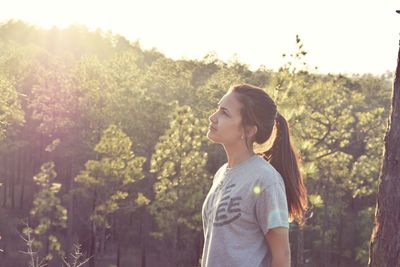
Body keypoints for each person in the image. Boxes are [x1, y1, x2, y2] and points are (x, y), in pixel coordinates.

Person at [201, 84, 308, 267]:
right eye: (217, 109)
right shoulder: (221, 173)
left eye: (224, 113)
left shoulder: (266, 180)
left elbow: (281, 256)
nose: (213, 117)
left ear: (249, 130)